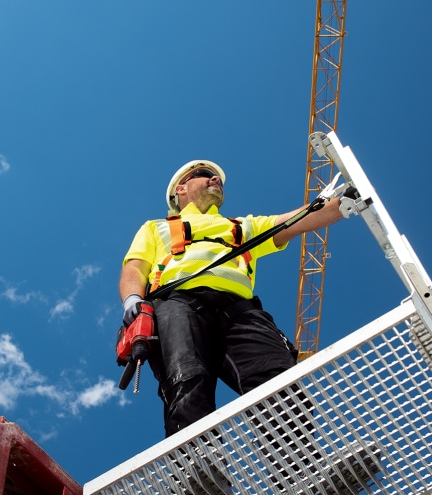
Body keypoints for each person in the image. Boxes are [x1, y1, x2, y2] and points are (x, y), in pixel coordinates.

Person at [119, 160, 345, 438]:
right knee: (186, 377)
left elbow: (296, 219)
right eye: (204, 175)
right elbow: (135, 267)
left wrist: (342, 203)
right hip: (174, 303)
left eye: (218, 178)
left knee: (275, 377)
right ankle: (198, 468)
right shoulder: (156, 228)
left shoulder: (243, 226)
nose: (215, 179)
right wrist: (132, 300)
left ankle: (309, 467)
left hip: (239, 310)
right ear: (181, 189)